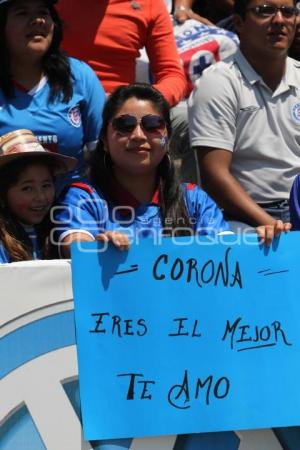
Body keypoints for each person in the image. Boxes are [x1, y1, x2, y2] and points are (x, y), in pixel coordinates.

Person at [53, 83, 231, 257]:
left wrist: (258, 244)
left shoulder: (194, 199)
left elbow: (230, 254)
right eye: (124, 125)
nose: (138, 135)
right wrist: (95, 250)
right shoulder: (82, 198)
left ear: (168, 140)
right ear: (104, 141)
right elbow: (77, 248)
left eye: (153, 125)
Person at [188, 0, 300, 232]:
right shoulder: (217, 82)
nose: (279, 20)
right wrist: (272, 224)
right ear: (239, 23)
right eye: (265, 11)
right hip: (243, 215)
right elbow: (215, 177)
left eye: (288, 12)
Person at [0, 0, 105, 192]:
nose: (38, 20)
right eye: (22, 13)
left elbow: (105, 156)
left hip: (72, 209)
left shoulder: (80, 76)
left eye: (43, 12)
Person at [0, 129, 76, 263]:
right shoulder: (3, 242)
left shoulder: (60, 229)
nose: (41, 197)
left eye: (46, 185)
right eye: (27, 188)